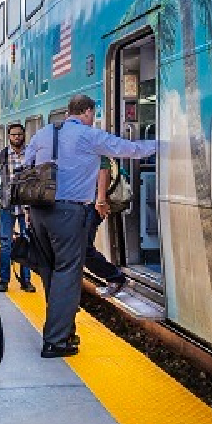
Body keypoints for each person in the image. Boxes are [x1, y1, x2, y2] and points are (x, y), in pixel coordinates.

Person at [23, 94, 157, 358]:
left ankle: (64, 331)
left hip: (39, 210)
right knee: (68, 274)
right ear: (86, 112)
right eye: (92, 115)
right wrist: (162, 145)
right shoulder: (88, 135)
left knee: (51, 272)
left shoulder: (44, 133)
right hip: (69, 212)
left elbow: (26, 164)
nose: (92, 119)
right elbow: (127, 149)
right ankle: (56, 341)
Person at [0, 123, 36, 293]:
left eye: (20, 134)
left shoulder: (31, 153)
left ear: (24, 135)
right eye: (14, 135)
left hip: (27, 207)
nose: (17, 137)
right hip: (8, 207)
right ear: (9, 137)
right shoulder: (2, 155)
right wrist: (0, 194)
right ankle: (4, 280)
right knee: (6, 244)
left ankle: (25, 281)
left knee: (26, 243)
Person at [87, 158, 128, 297]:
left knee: (82, 247)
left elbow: (104, 169)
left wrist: (101, 200)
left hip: (91, 203)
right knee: (79, 247)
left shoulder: (90, 139)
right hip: (82, 203)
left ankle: (115, 278)